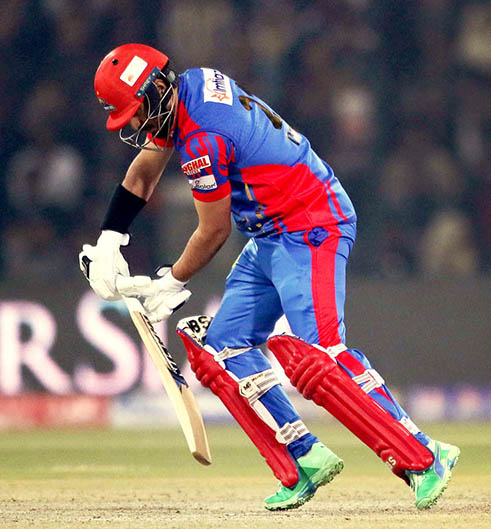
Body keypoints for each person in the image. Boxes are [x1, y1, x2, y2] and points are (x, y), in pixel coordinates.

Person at [78, 43, 459, 511]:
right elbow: (141, 177)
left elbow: (214, 231)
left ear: (156, 89)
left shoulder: (203, 138)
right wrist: (110, 240)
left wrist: (169, 282)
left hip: (313, 224)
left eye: (135, 113)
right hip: (270, 233)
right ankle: (303, 458)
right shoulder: (189, 86)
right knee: (221, 348)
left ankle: (425, 455)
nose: (135, 126)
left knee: (324, 356)